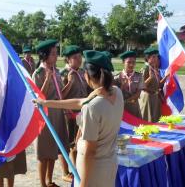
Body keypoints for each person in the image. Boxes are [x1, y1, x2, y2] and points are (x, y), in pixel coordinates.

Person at [34, 50, 123, 187]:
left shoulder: (92, 107)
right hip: (109, 165)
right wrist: (46, 103)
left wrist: (83, 184)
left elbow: (89, 151)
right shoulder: (117, 92)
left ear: (87, 76)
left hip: (92, 172)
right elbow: (81, 101)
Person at [32, 39, 69, 187]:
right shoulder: (39, 73)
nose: (56, 57)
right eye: (53, 54)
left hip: (57, 112)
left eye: (56, 54)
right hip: (45, 115)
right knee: (44, 152)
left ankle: (50, 181)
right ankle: (42, 184)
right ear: (44, 56)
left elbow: (60, 93)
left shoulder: (57, 71)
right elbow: (39, 97)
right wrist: (47, 79)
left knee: (53, 150)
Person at [59, 45, 89, 182]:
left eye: (79, 57)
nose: (79, 60)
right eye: (75, 58)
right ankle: (67, 172)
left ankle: (78, 168)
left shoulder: (83, 71)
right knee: (68, 143)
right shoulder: (63, 74)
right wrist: (70, 82)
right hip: (69, 114)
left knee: (80, 142)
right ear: (68, 60)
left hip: (82, 112)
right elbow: (60, 96)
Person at [115, 50, 143, 118]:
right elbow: (115, 93)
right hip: (121, 108)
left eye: (133, 62)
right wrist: (122, 86)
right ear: (123, 62)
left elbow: (139, 93)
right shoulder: (117, 77)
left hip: (134, 107)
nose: (131, 65)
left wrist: (126, 101)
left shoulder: (139, 76)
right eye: (129, 62)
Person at [139, 47, 162, 122]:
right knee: (147, 120)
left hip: (154, 97)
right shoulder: (145, 69)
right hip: (148, 97)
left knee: (155, 120)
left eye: (156, 57)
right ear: (148, 58)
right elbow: (141, 86)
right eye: (153, 57)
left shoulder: (154, 68)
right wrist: (150, 78)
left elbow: (157, 84)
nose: (156, 59)